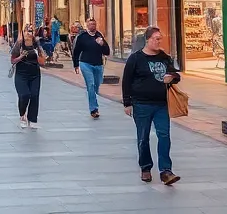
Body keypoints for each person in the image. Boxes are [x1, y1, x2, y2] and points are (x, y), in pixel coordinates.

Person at [121, 26, 181, 186]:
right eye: (156, 38)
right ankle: (146, 167)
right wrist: (127, 102)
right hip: (141, 104)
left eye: (160, 38)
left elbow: (176, 75)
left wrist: (172, 78)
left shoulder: (164, 57)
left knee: (164, 135)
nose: (159, 41)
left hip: (162, 104)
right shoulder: (136, 58)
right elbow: (126, 80)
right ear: (147, 40)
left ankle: (166, 171)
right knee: (143, 137)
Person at [72, 17, 110, 119]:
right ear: (86, 25)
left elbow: (107, 52)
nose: (92, 26)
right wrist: (75, 65)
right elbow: (76, 52)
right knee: (91, 84)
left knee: (96, 86)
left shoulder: (99, 36)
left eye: (94, 24)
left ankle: (92, 97)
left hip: (98, 64)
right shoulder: (82, 37)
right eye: (90, 24)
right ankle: (94, 109)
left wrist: (102, 44)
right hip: (85, 63)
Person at [11, 27, 46, 129]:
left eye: (31, 31)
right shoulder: (19, 44)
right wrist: (21, 56)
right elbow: (12, 60)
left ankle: (32, 119)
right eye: (27, 31)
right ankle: (22, 116)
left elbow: (42, 62)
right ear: (23, 32)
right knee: (24, 95)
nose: (29, 33)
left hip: (35, 73)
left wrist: (38, 54)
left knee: (34, 96)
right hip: (21, 74)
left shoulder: (37, 45)